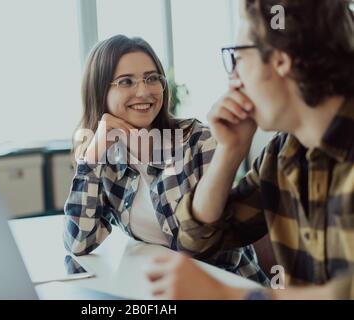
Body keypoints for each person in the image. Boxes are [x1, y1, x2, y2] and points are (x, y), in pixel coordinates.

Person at [146, 0, 354, 299]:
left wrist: (227, 295)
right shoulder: (283, 155)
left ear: (281, 59)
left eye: (238, 58)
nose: (234, 80)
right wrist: (230, 151)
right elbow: (195, 240)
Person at [63, 35, 268, 285]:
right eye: (126, 81)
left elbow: (209, 250)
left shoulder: (199, 141)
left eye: (151, 78)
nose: (143, 91)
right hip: (165, 289)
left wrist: (151, 159)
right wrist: (91, 158)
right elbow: (79, 242)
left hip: (227, 288)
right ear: (99, 91)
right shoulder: (106, 156)